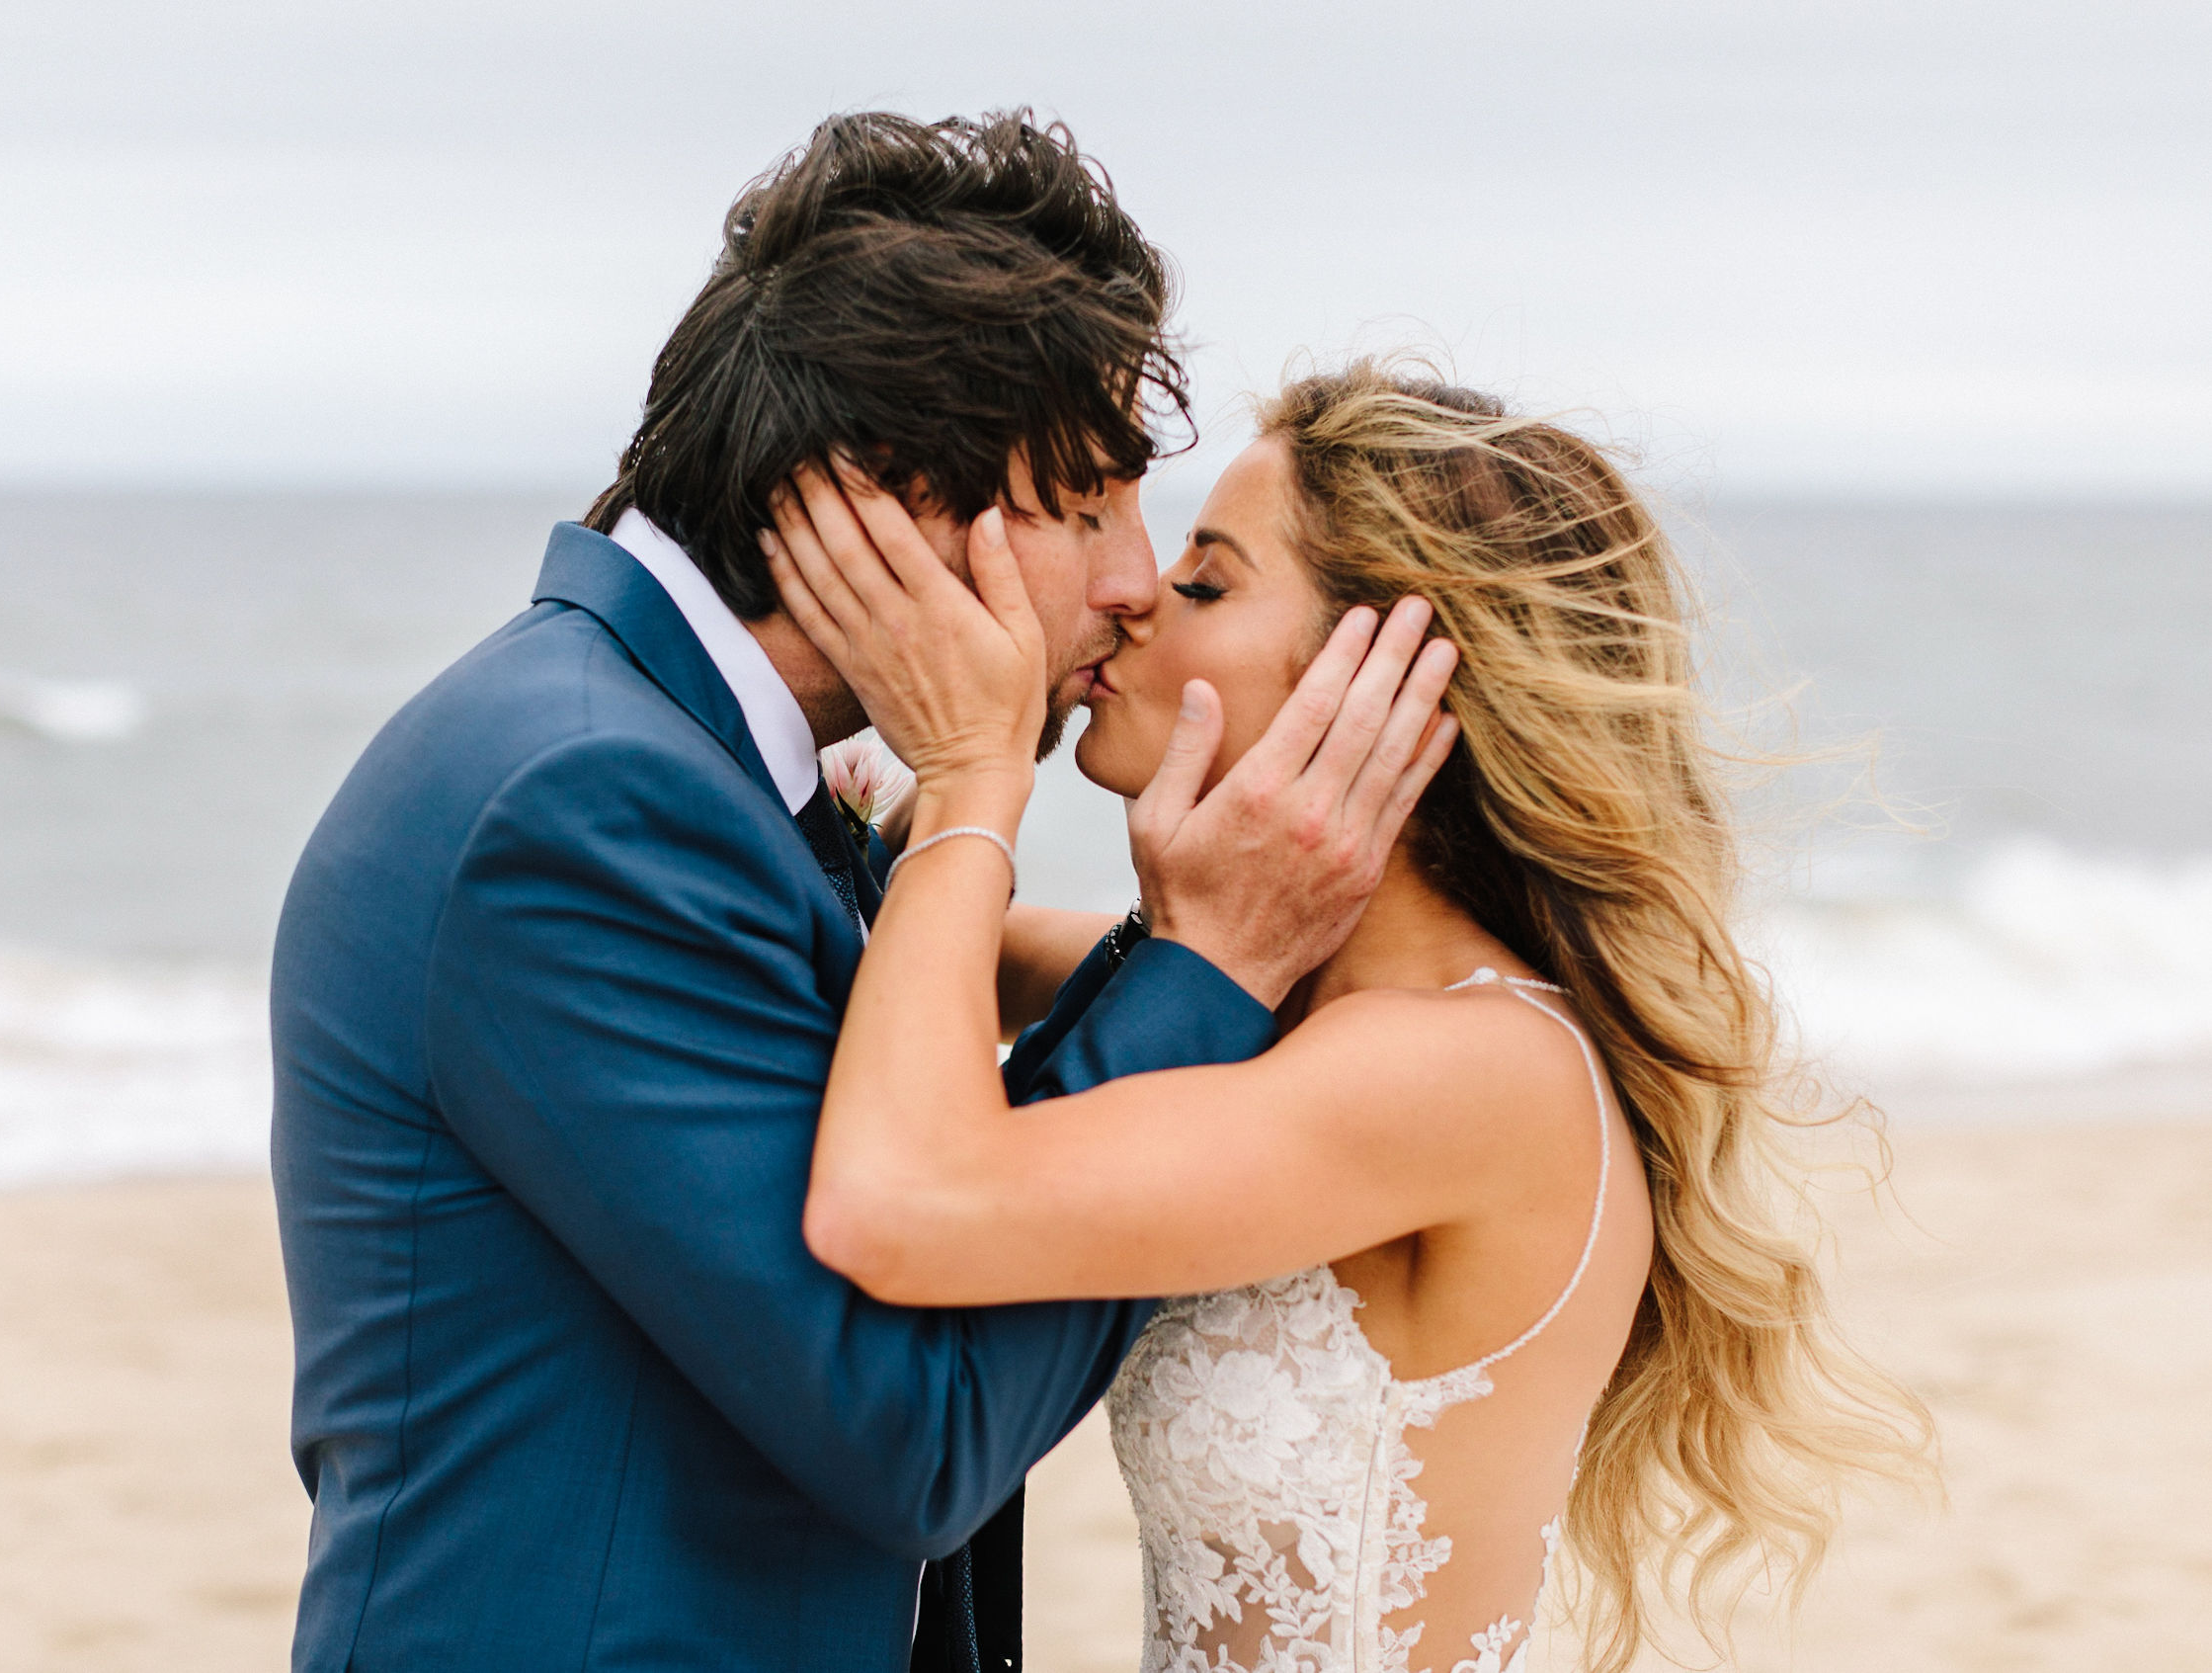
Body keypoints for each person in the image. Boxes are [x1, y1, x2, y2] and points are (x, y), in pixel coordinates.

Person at [269, 113, 1434, 1673]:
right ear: (875, 497)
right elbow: (917, 1429)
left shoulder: (677, 761)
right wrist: (1194, 956)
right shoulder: (583, 803)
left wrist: (1233, 950)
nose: (1134, 580)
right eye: (1088, 500)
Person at [769, 363, 1929, 1673]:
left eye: (1205, 581)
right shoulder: (1305, 1016)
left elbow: (906, 1199)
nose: (1139, 599)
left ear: (1392, 683)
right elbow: (968, 970)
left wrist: (978, 775)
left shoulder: (1470, 1070)